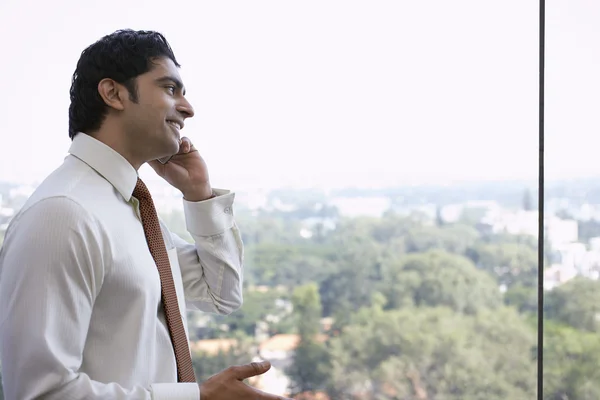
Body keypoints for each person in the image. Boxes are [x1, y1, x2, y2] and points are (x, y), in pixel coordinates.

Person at [0, 29, 290, 400]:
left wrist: (198, 195)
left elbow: (221, 295)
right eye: (170, 89)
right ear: (114, 93)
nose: (188, 108)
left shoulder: (128, 209)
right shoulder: (62, 215)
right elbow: (41, 394)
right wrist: (194, 397)